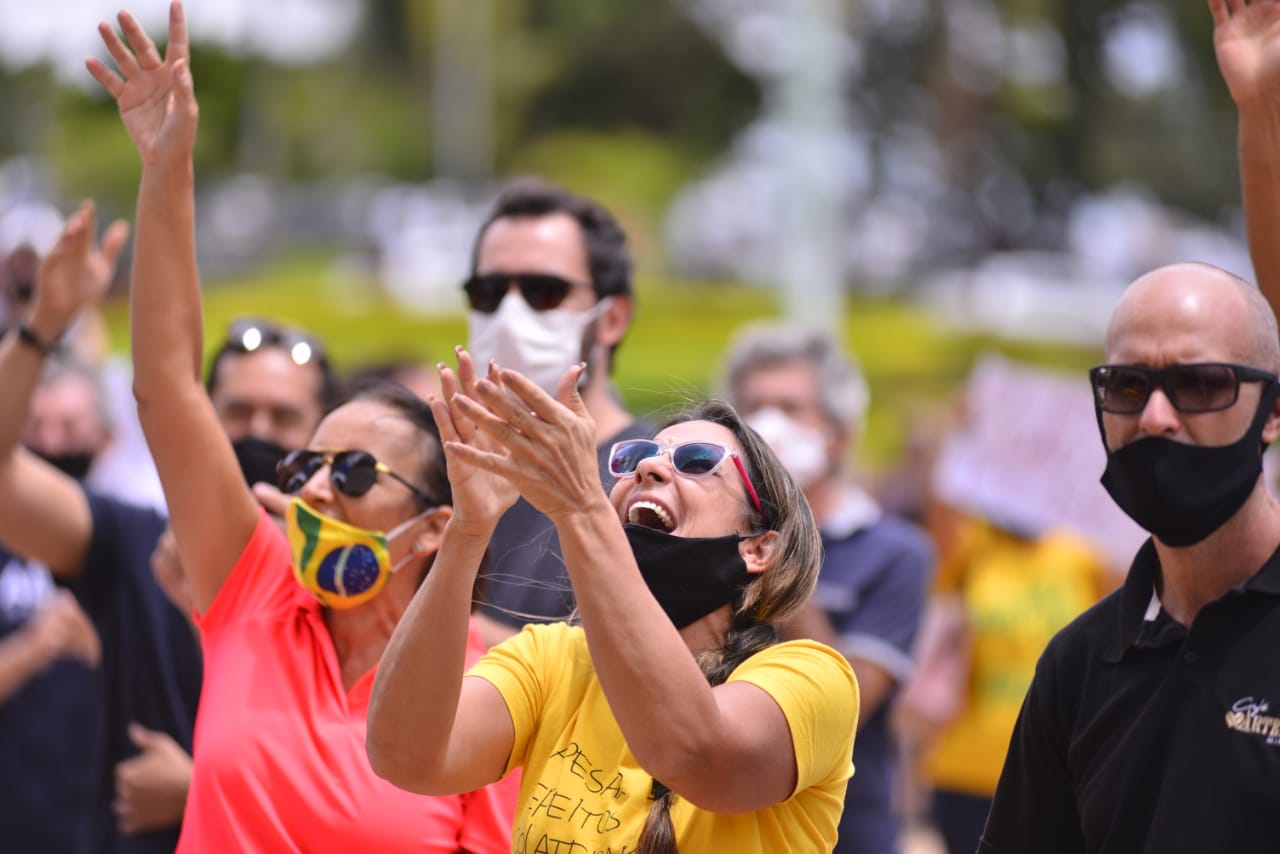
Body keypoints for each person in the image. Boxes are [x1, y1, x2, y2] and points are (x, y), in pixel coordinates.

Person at [87, 6, 517, 850]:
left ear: (435, 527)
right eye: (305, 468)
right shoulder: (255, 590)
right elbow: (168, 386)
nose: (316, 487)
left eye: (353, 472)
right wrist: (166, 168)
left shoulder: (492, 685)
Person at [366, 349, 859, 853]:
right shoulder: (553, 658)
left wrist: (582, 508)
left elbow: (698, 756)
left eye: (696, 463)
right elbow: (406, 755)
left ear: (758, 548)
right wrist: (468, 529)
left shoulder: (812, 677)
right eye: (632, 460)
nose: (648, 468)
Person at [977, 262, 1280, 852]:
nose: (1155, 417)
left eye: (1199, 385)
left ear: (1272, 410)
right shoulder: (1078, 661)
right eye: (1126, 387)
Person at [0, 197, 205, 853]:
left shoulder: (156, 537)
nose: (57, 441)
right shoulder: (123, 539)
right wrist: (44, 325)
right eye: (42, 430)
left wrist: (201, 787)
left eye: (72, 428)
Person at [720, 322, 934, 854]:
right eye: (753, 407)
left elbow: (847, 706)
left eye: (790, 409)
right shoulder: (707, 538)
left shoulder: (896, 552)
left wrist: (780, 541)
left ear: (837, 433)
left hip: (838, 834)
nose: (767, 427)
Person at [463, 177, 652, 645]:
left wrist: (421, 626)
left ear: (611, 318)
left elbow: (640, 664)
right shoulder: (443, 465)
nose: (509, 314)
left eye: (543, 291)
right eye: (487, 293)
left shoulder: (651, 480)